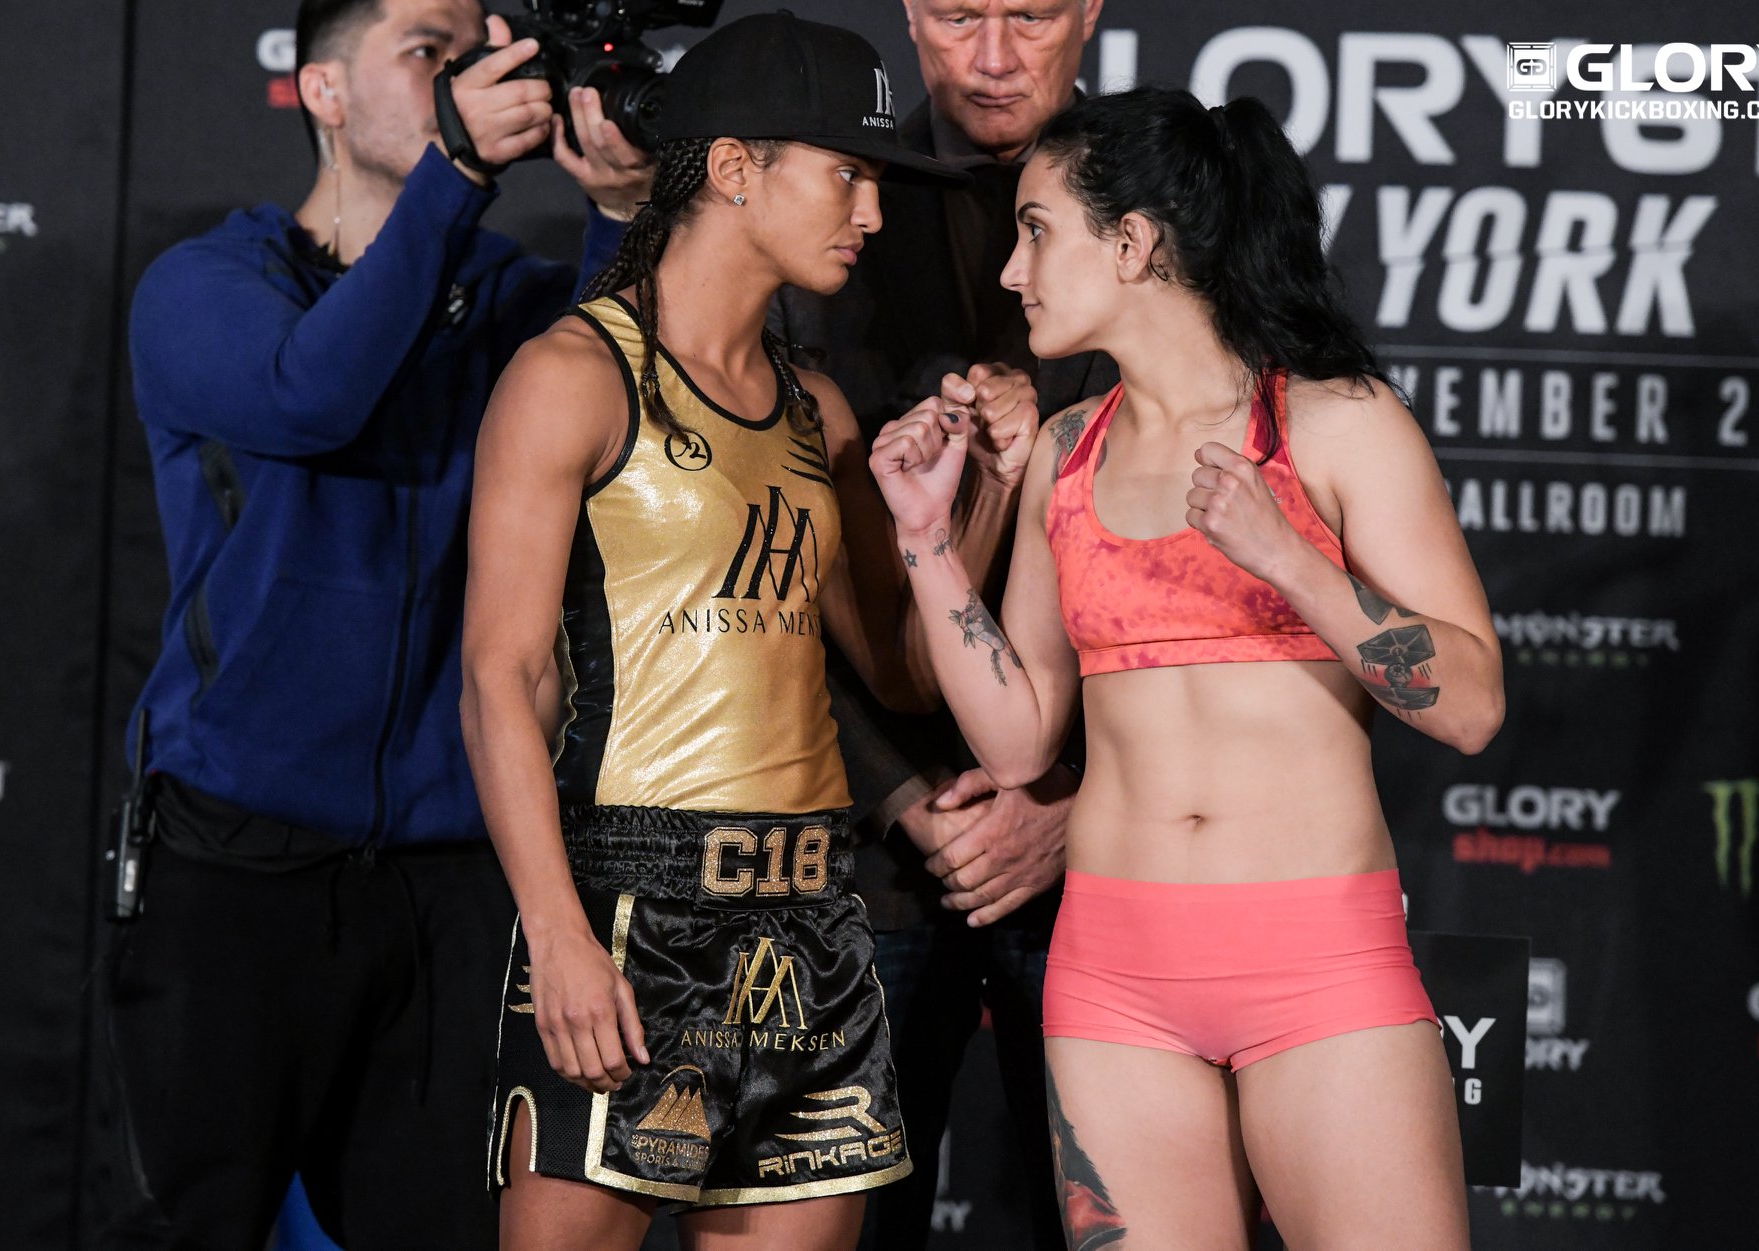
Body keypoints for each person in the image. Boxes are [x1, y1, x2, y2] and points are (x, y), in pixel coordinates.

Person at [871, 87, 1504, 1249]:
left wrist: (1294, 563)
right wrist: (925, 543)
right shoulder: (1067, 449)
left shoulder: (1337, 422)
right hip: (1114, 982)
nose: (1015, 273)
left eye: (1037, 231)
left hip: (1321, 971)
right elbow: (1019, 742)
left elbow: (1469, 707)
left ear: (1135, 242)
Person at [458, 13, 1022, 1250]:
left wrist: (958, 509)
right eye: (847, 172)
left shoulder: (816, 406)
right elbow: (503, 677)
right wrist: (554, 931)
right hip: (627, 911)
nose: (869, 212)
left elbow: (903, 673)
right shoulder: (571, 376)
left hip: (815, 925)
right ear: (733, 169)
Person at [101, 0, 651, 1246]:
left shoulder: (504, 305)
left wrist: (619, 210)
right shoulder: (202, 288)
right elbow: (317, 396)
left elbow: (624, 403)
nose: (464, 82)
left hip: (447, 877)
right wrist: (456, 172)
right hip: (231, 861)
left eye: (474, 56)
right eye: (428, 54)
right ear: (325, 93)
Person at [772, 4, 1113, 1244]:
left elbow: (1213, 573)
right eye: (960, 13)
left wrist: (1077, 798)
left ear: (1086, 12)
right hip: (868, 848)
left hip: (1101, 851)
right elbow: (753, 553)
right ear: (912, 13)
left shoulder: (1170, 200)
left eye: (1029, 14)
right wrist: (906, 793)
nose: (991, 54)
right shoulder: (820, 203)